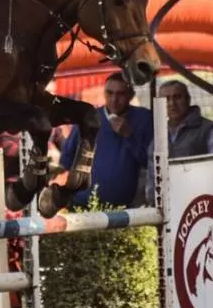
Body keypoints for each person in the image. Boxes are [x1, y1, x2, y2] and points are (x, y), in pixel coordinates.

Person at [60, 72, 153, 209]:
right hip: (82, 204)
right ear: (104, 94)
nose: (114, 99)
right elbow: (66, 161)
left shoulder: (143, 118)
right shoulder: (88, 117)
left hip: (125, 208)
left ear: (130, 95)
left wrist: (129, 136)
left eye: (120, 94)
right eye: (110, 93)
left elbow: (150, 161)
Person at [146, 80, 213, 204]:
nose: (171, 103)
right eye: (166, 99)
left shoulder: (211, 132)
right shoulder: (158, 138)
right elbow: (152, 181)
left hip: (202, 209)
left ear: (188, 100)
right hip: (168, 211)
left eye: (177, 97)